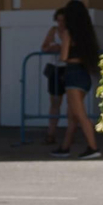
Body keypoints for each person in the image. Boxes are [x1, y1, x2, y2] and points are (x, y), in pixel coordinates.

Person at [50, 0, 102, 160]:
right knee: (72, 115)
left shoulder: (68, 32)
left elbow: (64, 56)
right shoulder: (86, 33)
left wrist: (59, 48)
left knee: (79, 114)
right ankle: (65, 147)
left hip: (73, 75)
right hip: (84, 74)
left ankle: (93, 147)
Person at [39, 11, 65, 145]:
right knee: (55, 101)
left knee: (73, 101)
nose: (60, 23)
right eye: (58, 20)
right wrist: (52, 48)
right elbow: (43, 47)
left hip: (67, 67)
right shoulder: (53, 31)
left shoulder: (70, 32)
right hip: (55, 68)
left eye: (63, 20)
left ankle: (70, 133)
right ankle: (51, 132)